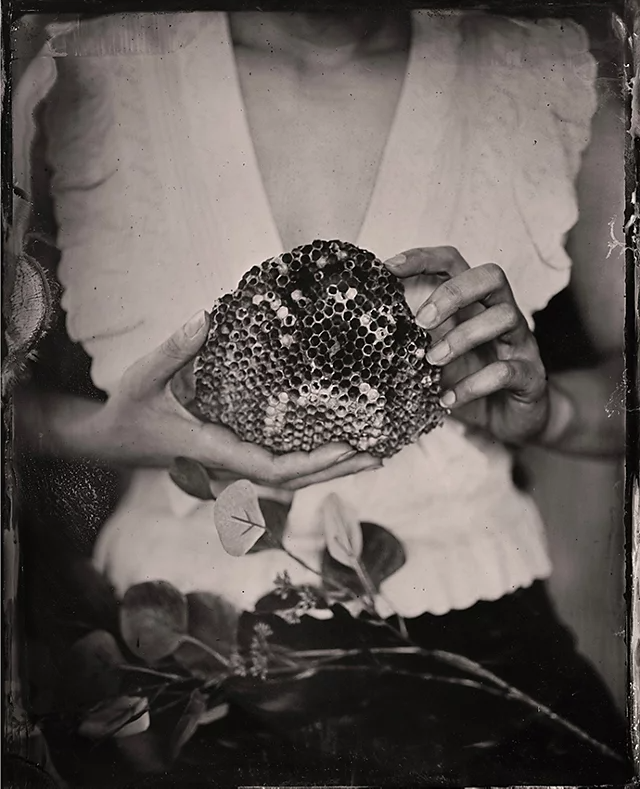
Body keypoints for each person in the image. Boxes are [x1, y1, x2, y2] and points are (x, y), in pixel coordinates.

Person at [12, 7, 628, 785]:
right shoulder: (70, 67)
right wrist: (101, 436)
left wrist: (556, 412)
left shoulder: (551, 77)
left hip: (475, 630)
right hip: (174, 655)